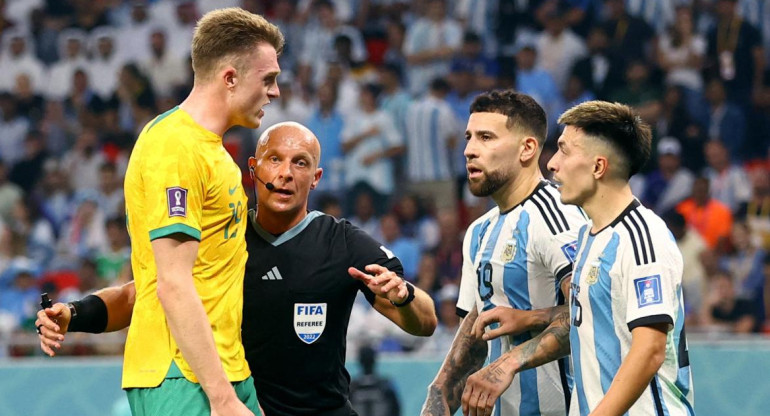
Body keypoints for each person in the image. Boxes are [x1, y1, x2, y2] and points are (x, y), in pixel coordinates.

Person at [37, 122, 438, 416]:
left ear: (315, 178)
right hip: (239, 406)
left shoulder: (342, 241)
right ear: (253, 168)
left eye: (300, 163)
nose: (285, 173)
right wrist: (73, 314)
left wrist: (402, 296)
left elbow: (425, 321)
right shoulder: (223, 234)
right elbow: (140, 294)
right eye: (274, 160)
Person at [38, 8, 284, 416]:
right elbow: (172, 286)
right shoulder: (175, 147)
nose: (275, 92)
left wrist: (77, 313)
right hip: (184, 380)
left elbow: (146, 289)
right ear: (229, 77)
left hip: (222, 373)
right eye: (268, 79)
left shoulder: (214, 153)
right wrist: (221, 398)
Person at [471, 101, 695, 415]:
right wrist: (531, 318)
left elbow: (650, 350)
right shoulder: (589, 237)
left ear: (598, 167)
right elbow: (593, 316)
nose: (552, 164)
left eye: (564, 151)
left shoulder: (643, 237)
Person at [421, 90, 587, 416]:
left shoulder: (558, 216)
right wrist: (436, 401)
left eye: (486, 137)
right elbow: (474, 334)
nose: (469, 150)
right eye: (469, 137)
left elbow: (590, 314)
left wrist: (509, 363)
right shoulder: (479, 231)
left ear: (527, 148)